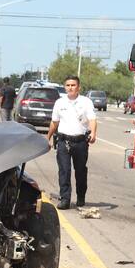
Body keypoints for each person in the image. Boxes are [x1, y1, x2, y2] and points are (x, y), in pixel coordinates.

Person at [46, 75, 98, 210]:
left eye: (73, 85)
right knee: (64, 170)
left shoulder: (86, 102)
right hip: (63, 141)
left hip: (80, 142)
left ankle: (81, 196)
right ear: (65, 87)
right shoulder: (59, 103)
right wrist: (48, 137)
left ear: (78, 87)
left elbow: (92, 119)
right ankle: (65, 199)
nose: (70, 88)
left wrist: (93, 132)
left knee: (80, 171)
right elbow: (54, 122)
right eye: (68, 85)